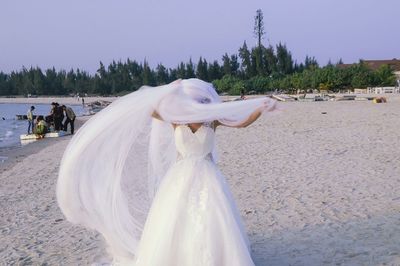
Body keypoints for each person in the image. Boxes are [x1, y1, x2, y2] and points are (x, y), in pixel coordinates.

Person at [57, 79, 276, 265]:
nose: (196, 103)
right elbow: (149, 109)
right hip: (180, 175)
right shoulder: (175, 119)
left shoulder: (213, 120)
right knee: (174, 217)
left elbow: (241, 123)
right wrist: (168, 90)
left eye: (200, 100)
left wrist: (260, 108)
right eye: (193, 100)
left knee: (212, 215)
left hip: (207, 174)